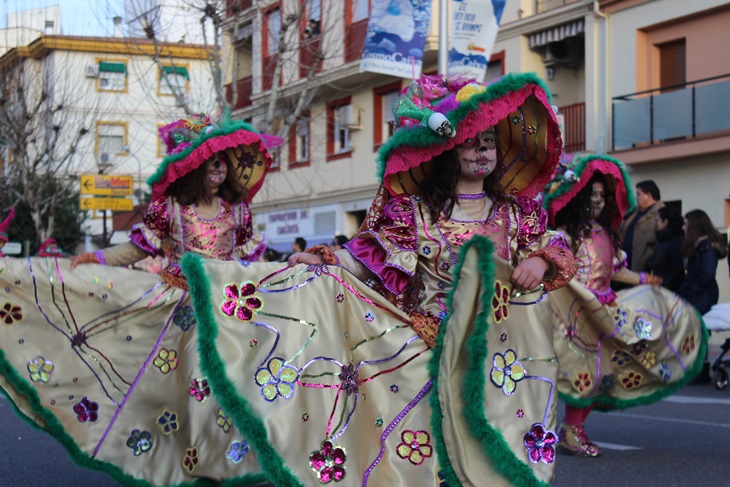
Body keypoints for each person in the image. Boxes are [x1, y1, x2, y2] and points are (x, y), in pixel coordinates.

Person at [179, 73, 576, 486]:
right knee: (422, 445)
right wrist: (324, 259)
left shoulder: (518, 214)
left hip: (499, 350)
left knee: (495, 447)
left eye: (489, 142)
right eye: (471, 142)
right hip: (428, 342)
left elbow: (557, 247)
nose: (482, 151)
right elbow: (367, 255)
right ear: (447, 149)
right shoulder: (416, 213)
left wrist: (541, 262)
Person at [0, 113, 280, 484]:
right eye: (211, 162)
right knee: (188, 392)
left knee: (230, 390)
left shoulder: (239, 211)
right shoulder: (172, 209)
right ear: (194, 166)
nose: (218, 170)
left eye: (222, 164)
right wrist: (95, 259)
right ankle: (188, 466)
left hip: (230, 311)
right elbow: (134, 250)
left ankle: (221, 463)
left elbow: (252, 258)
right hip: (182, 313)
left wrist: (287, 274)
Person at [543, 153, 706, 457]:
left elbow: (616, 270)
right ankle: (567, 430)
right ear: (577, 197)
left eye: (602, 195)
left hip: (606, 312)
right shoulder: (564, 236)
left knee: (603, 373)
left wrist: (646, 279)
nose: (598, 201)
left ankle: (572, 429)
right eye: (591, 195)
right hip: (575, 315)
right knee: (582, 374)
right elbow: (555, 271)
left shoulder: (605, 233)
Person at [678, 209, 727, 384]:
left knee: (697, 331)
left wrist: (690, 291)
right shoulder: (700, 246)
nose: (683, 227)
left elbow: (706, 273)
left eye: (686, 224)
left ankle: (700, 371)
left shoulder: (706, 247)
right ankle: (696, 370)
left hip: (702, 295)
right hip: (698, 293)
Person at [620, 180, 663, 272]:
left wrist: (649, 263)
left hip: (643, 271)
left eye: (639, 194)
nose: (636, 197)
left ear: (648, 195)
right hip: (626, 267)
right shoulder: (634, 213)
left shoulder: (661, 214)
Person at [652, 204, 685, 292]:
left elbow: (677, 270)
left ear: (665, 221)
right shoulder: (662, 239)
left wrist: (664, 285)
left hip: (670, 291)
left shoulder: (677, 241)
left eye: (657, 220)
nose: (656, 223)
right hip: (660, 288)